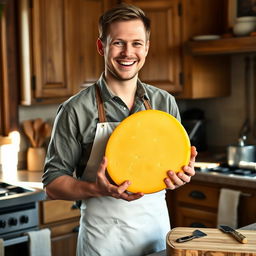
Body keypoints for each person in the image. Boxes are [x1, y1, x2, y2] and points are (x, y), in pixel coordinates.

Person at [42, 4, 197, 256]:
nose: (128, 52)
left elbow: (172, 167)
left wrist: (182, 175)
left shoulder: (164, 103)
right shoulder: (75, 109)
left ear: (146, 47)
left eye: (137, 43)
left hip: (155, 237)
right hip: (103, 241)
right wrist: (96, 189)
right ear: (101, 47)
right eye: (118, 43)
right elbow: (52, 183)